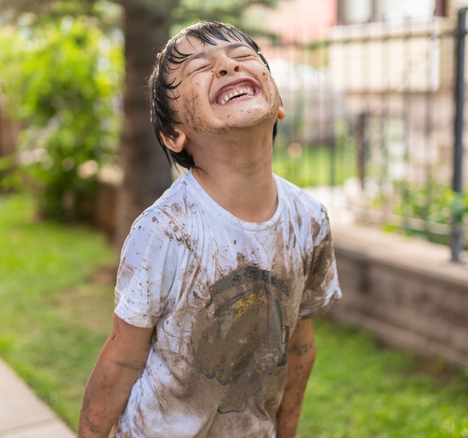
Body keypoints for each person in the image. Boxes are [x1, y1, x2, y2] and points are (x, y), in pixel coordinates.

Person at [77, 21, 341, 438]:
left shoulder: (309, 220)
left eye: (242, 57)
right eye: (201, 67)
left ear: (279, 101)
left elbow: (300, 346)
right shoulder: (164, 230)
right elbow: (122, 359)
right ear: (173, 133)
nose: (226, 67)